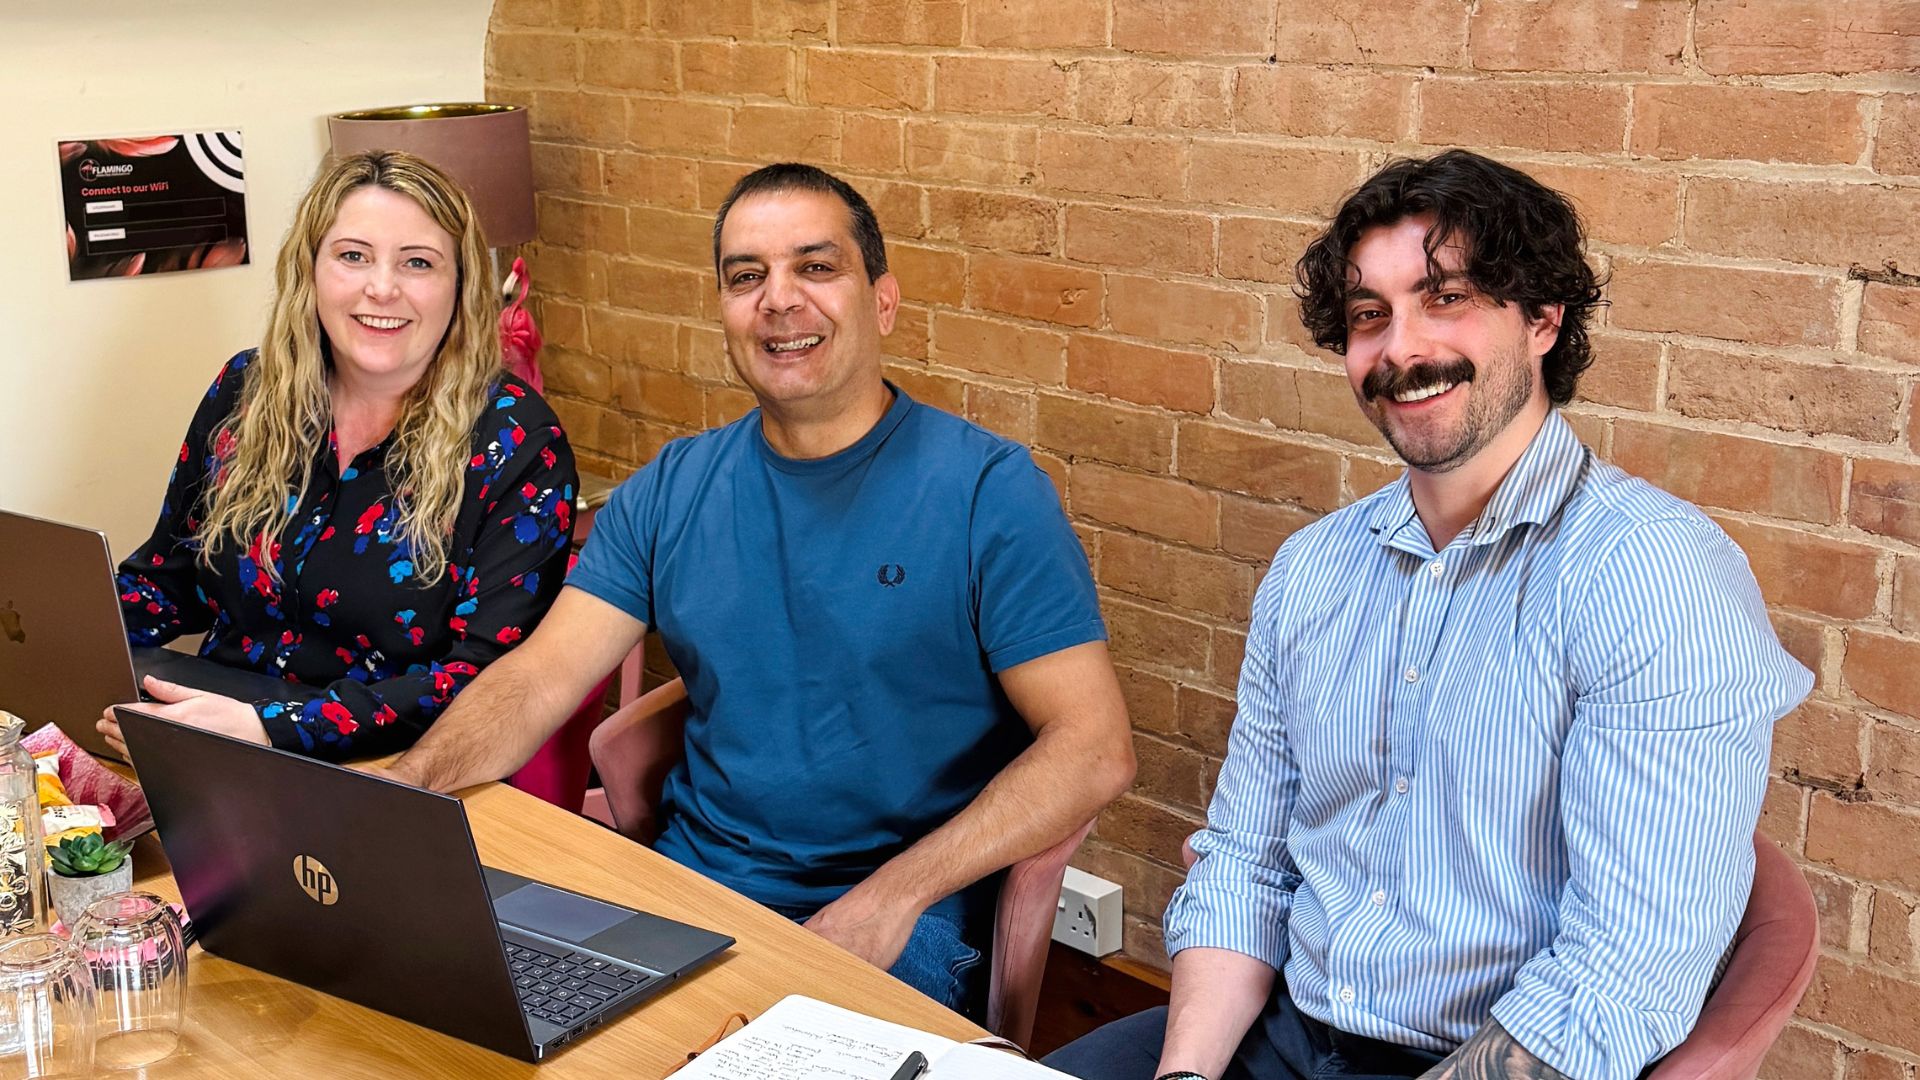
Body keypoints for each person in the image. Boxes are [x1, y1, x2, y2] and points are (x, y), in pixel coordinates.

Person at [1045, 149, 1813, 1080]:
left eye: (1445, 298)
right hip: (1279, 1030)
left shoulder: (1655, 579)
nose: (1400, 349)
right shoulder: (1315, 568)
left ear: (1541, 318)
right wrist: (1186, 1077)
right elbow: (1246, 864)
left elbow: (1620, 975)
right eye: (1371, 315)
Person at [378, 163, 1136, 1014]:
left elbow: (1093, 745)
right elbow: (537, 679)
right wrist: (399, 796)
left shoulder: (988, 492)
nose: (779, 300)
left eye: (816, 267)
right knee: (458, 1010)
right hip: (694, 883)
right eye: (747, 277)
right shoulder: (672, 486)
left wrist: (890, 899)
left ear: (883, 301)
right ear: (726, 314)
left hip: (899, 906)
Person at [100, 150, 576, 762]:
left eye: (418, 263)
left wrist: (271, 726)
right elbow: (170, 580)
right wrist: (59, 633)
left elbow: (486, 680)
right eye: (353, 256)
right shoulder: (245, 389)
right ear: (311, 270)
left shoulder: (517, 442)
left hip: (403, 772)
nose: (382, 287)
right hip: (211, 741)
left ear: (460, 286)